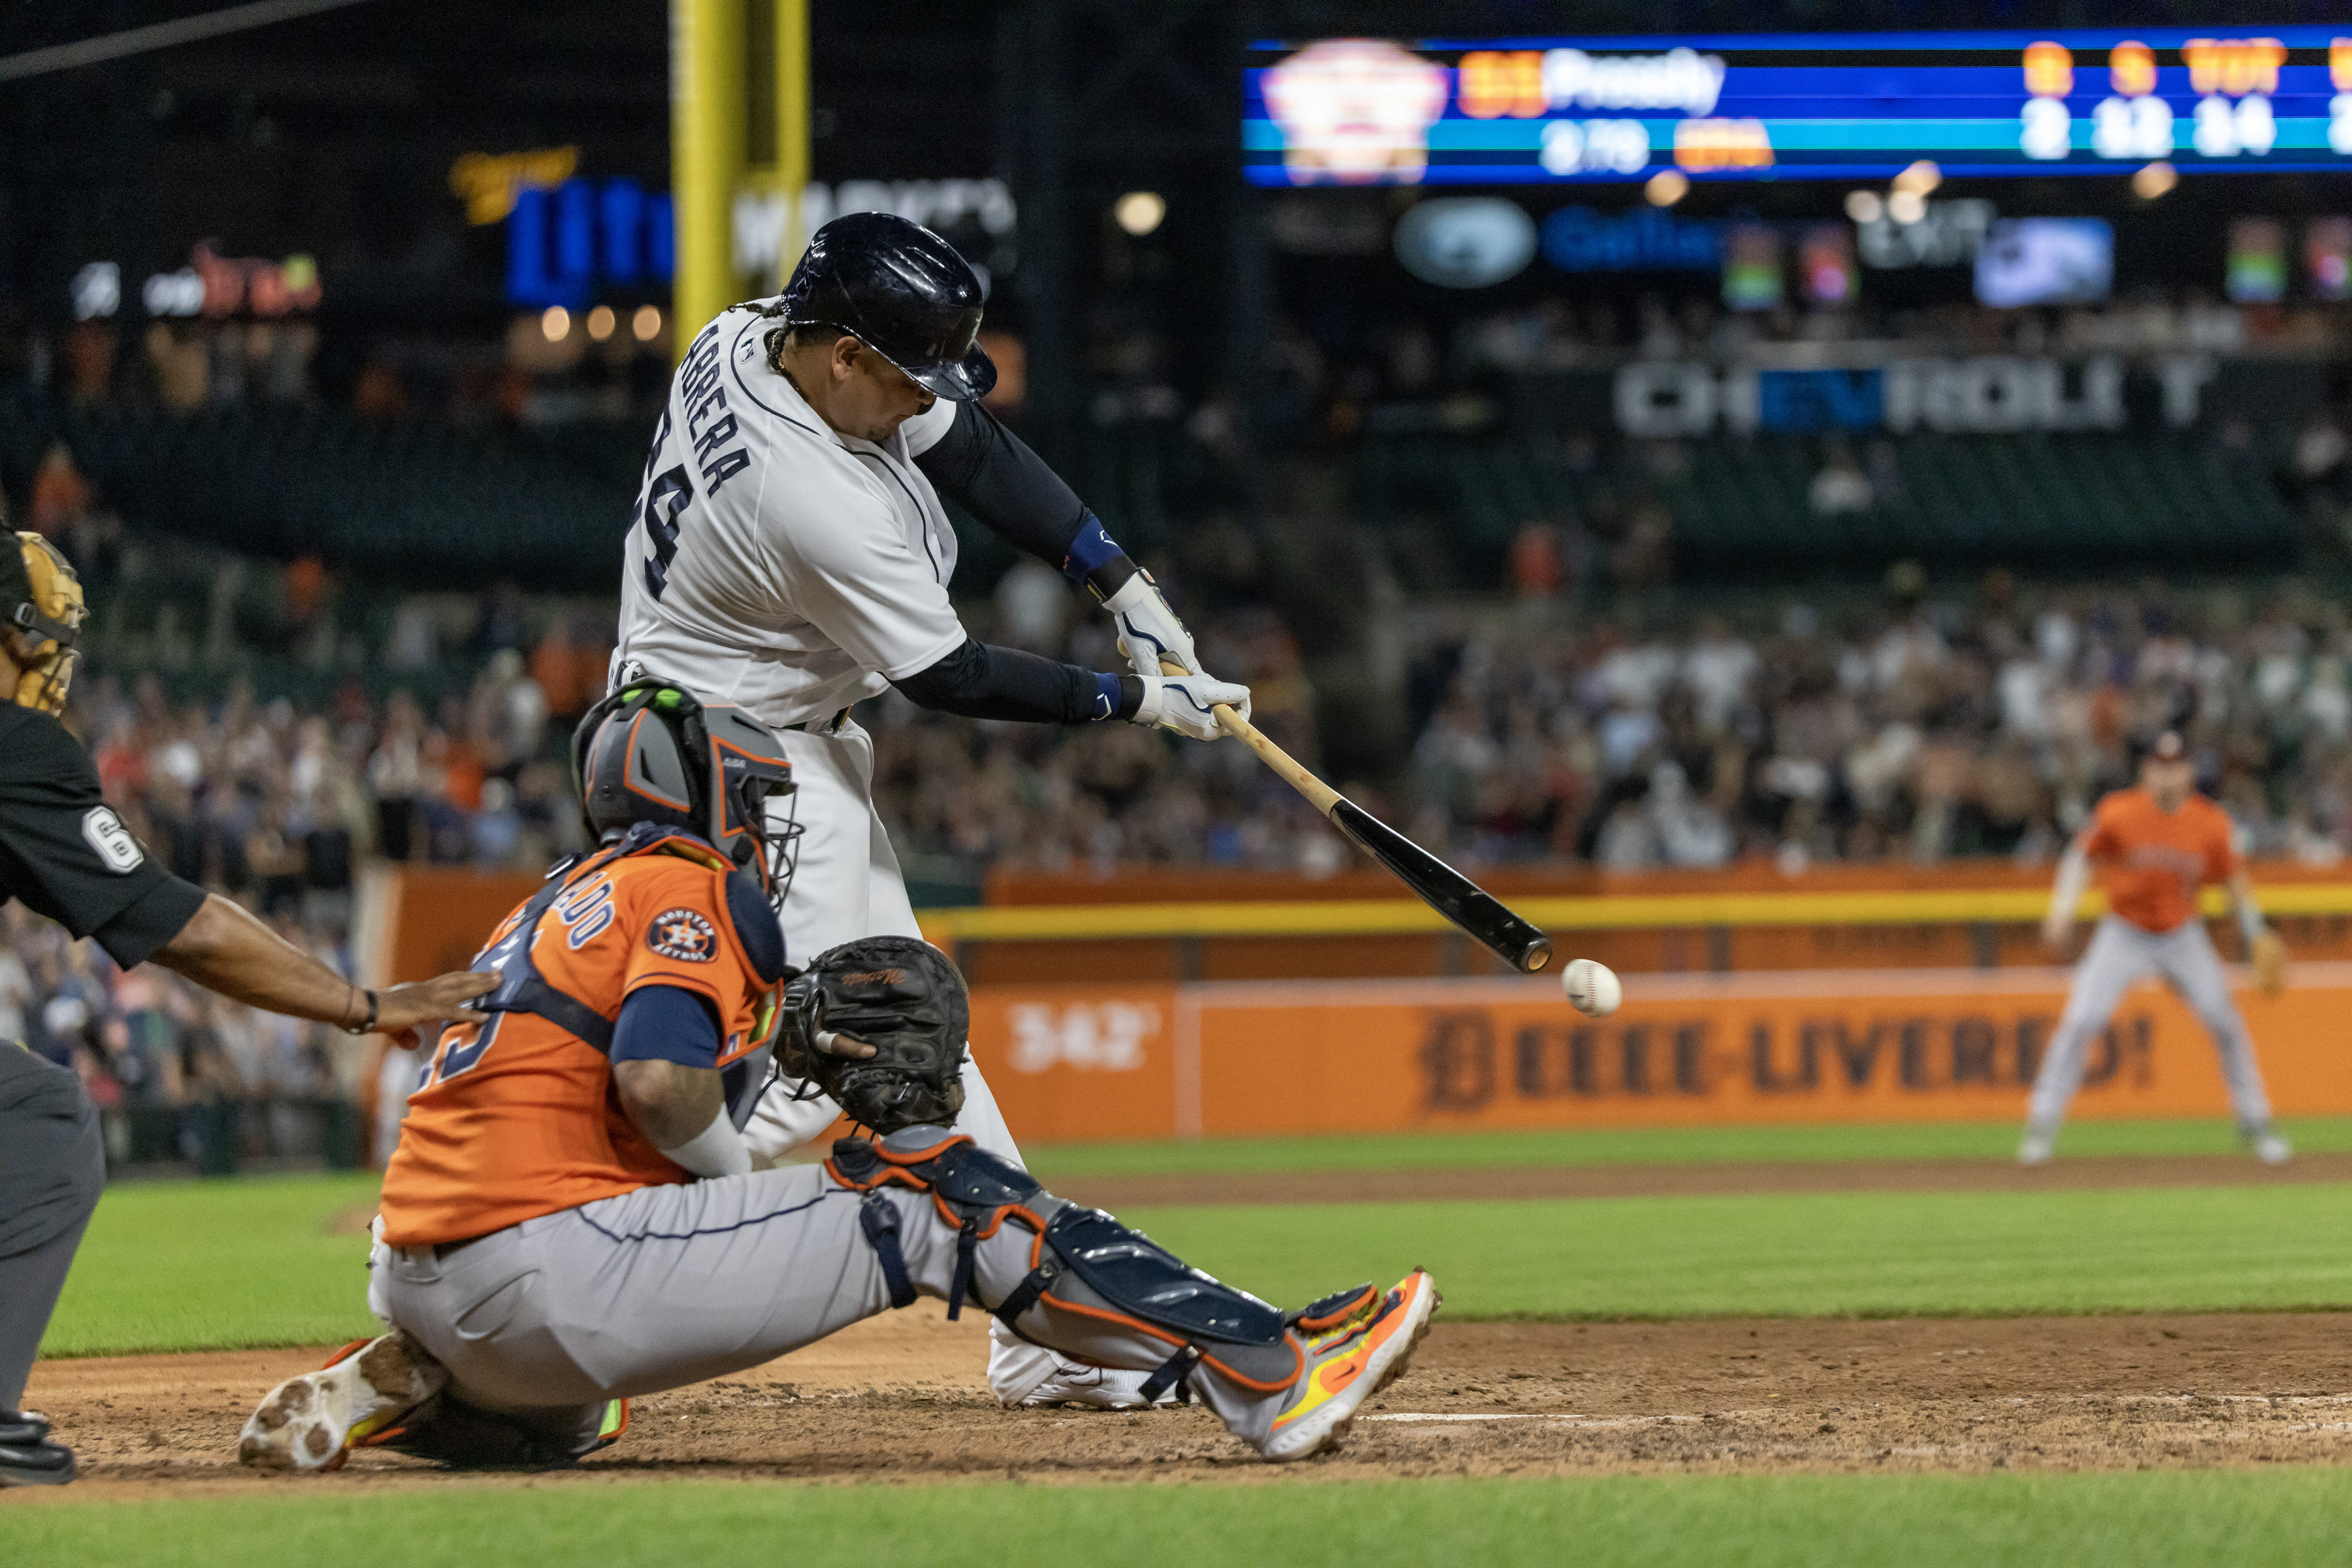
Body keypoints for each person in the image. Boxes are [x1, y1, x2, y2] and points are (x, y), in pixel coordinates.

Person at [236, 681, 1436, 1473]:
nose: (764, 819)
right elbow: (658, 1086)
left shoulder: (542, 904)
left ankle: (428, 1388)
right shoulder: (691, 883)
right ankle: (1270, 1372)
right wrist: (727, 1176)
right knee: (932, 1192)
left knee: (582, 1407)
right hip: (540, 1276)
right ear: (696, 797)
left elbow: (611, 1097)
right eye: (748, 794)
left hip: (429, 1278)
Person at [609, 212, 1252, 1409]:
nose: (922, 403)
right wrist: (1135, 699)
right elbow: (947, 674)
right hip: (739, 765)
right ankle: (565, 1268)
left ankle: (1046, 1334)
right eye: (906, 379)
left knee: (906, 1032)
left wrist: (1116, 574)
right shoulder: (812, 499)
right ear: (845, 356)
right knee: (829, 1054)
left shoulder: (753, 333)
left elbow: (973, 448)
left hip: (749, 740)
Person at [0, 530, 497, 1487]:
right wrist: (362, 1001)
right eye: (39, 638)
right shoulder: (16, 747)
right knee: (41, 1117)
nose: (52, 662)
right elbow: (178, 924)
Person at [2022, 730, 2291, 1167]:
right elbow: (2079, 858)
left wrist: (2256, 929)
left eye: (2176, 767)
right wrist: (2061, 912)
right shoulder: (2119, 812)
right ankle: (2041, 1125)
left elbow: (2235, 881)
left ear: (2189, 772)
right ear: (2146, 771)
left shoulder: (2211, 822)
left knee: (2225, 1022)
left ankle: (2256, 1121)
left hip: (2182, 934)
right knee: (2081, 1020)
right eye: (2159, 767)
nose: (2167, 776)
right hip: (2122, 933)